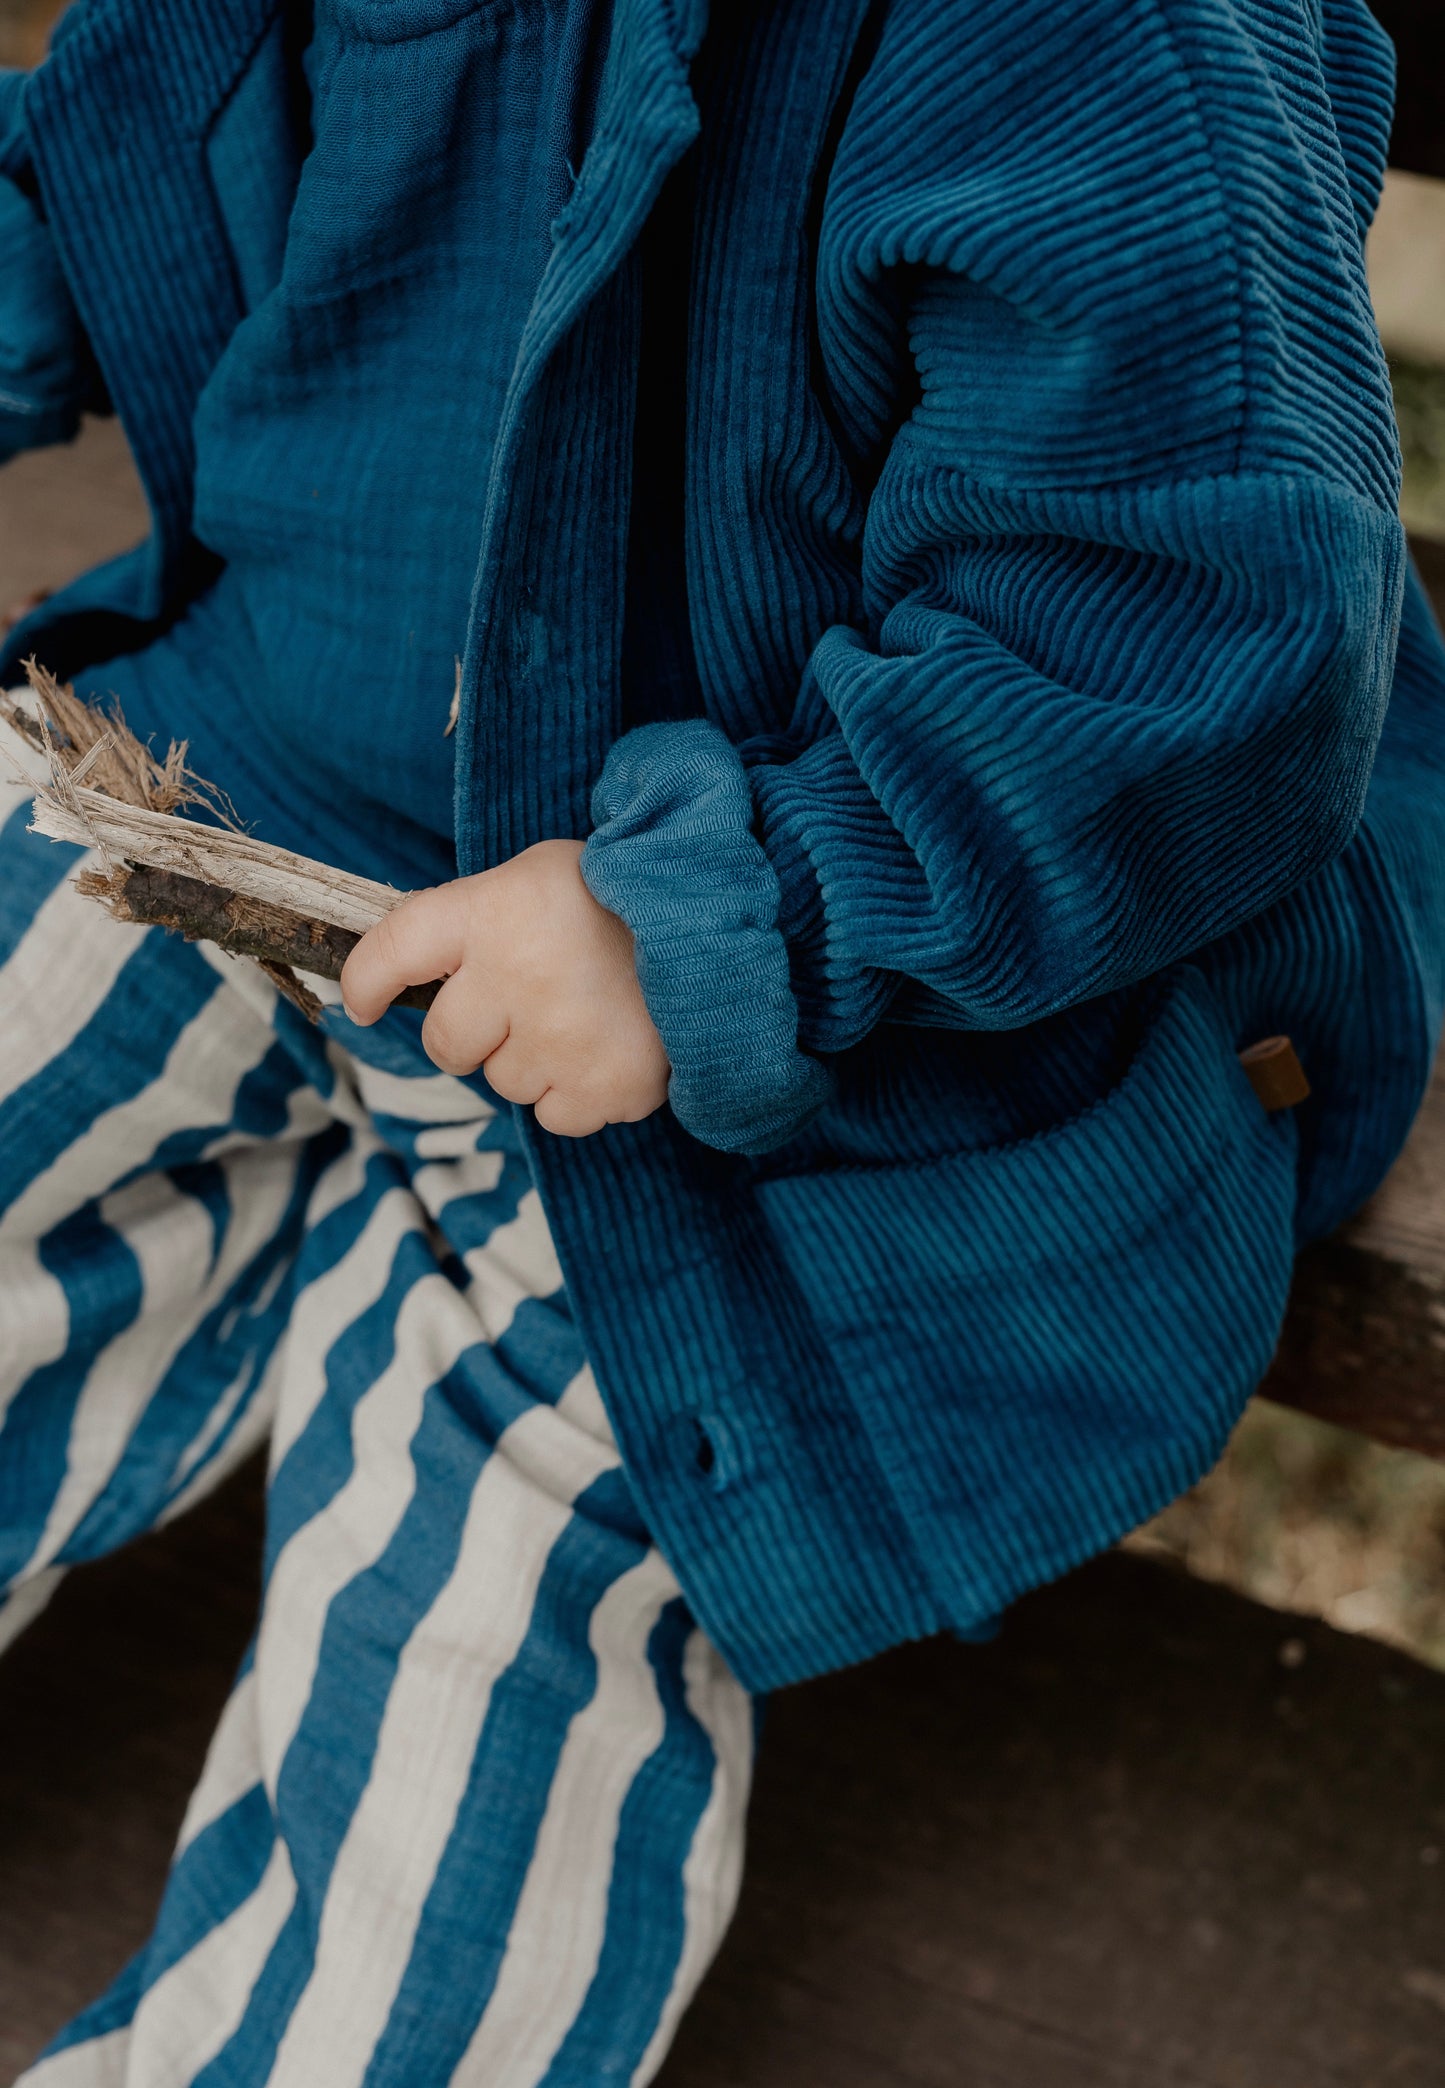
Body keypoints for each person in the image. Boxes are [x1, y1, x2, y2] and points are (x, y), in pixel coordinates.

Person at [2, 0, 1442, 2080]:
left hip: (770, 977)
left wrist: (728, 917)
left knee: (480, 1631)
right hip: (238, 787)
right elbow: (155, 111)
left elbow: (1197, 637)